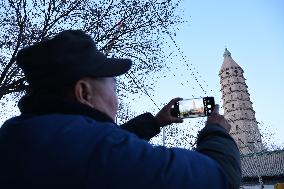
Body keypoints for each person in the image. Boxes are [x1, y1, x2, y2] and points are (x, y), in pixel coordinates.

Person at [0, 30, 241, 189]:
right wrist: (216, 132)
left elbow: (95, 151)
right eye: (114, 86)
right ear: (84, 92)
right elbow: (219, 177)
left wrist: (155, 122)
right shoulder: (96, 149)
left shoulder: (16, 134)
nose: (117, 98)